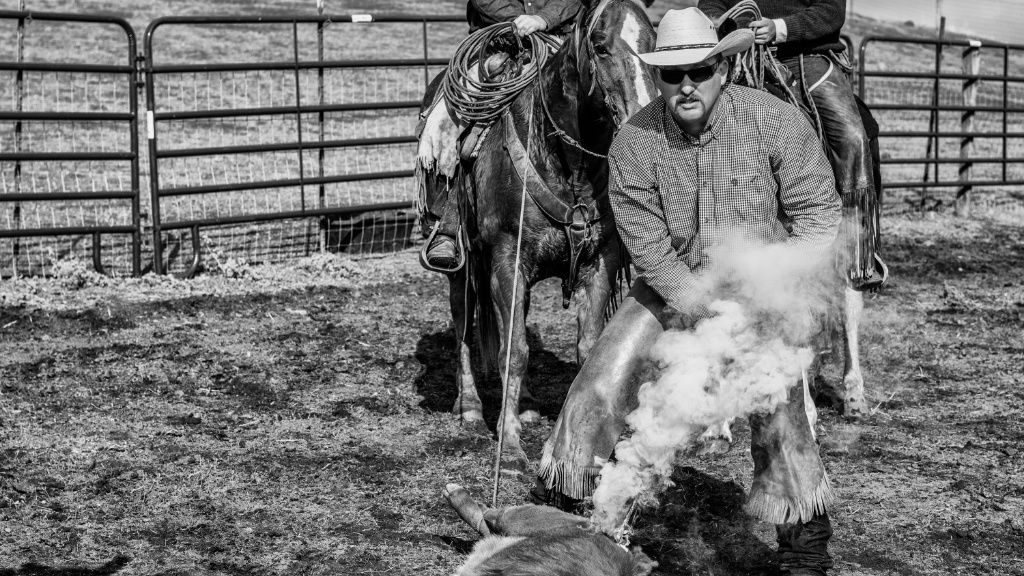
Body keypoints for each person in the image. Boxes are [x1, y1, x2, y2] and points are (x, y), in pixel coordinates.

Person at [533, 8, 841, 576]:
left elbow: (819, 216)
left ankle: (803, 544)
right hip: (673, 284)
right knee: (602, 378)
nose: (687, 85)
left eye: (699, 70)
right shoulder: (634, 142)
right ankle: (567, 513)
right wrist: (694, 303)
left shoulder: (777, 124)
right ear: (659, 77)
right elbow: (646, 242)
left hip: (762, 292)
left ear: (721, 68)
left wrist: (777, 288)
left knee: (779, 404)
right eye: (673, 75)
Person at [699, 0, 884, 290]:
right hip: (738, 56)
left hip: (806, 58)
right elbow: (711, 2)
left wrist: (779, 28)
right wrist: (719, 22)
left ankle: (858, 253)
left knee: (852, 137)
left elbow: (831, 11)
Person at [419, 0, 584, 271]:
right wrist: (521, 22)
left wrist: (544, 19)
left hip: (556, 43)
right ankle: (448, 223)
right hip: (498, 45)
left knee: (601, 97)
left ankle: (622, 214)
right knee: (449, 116)